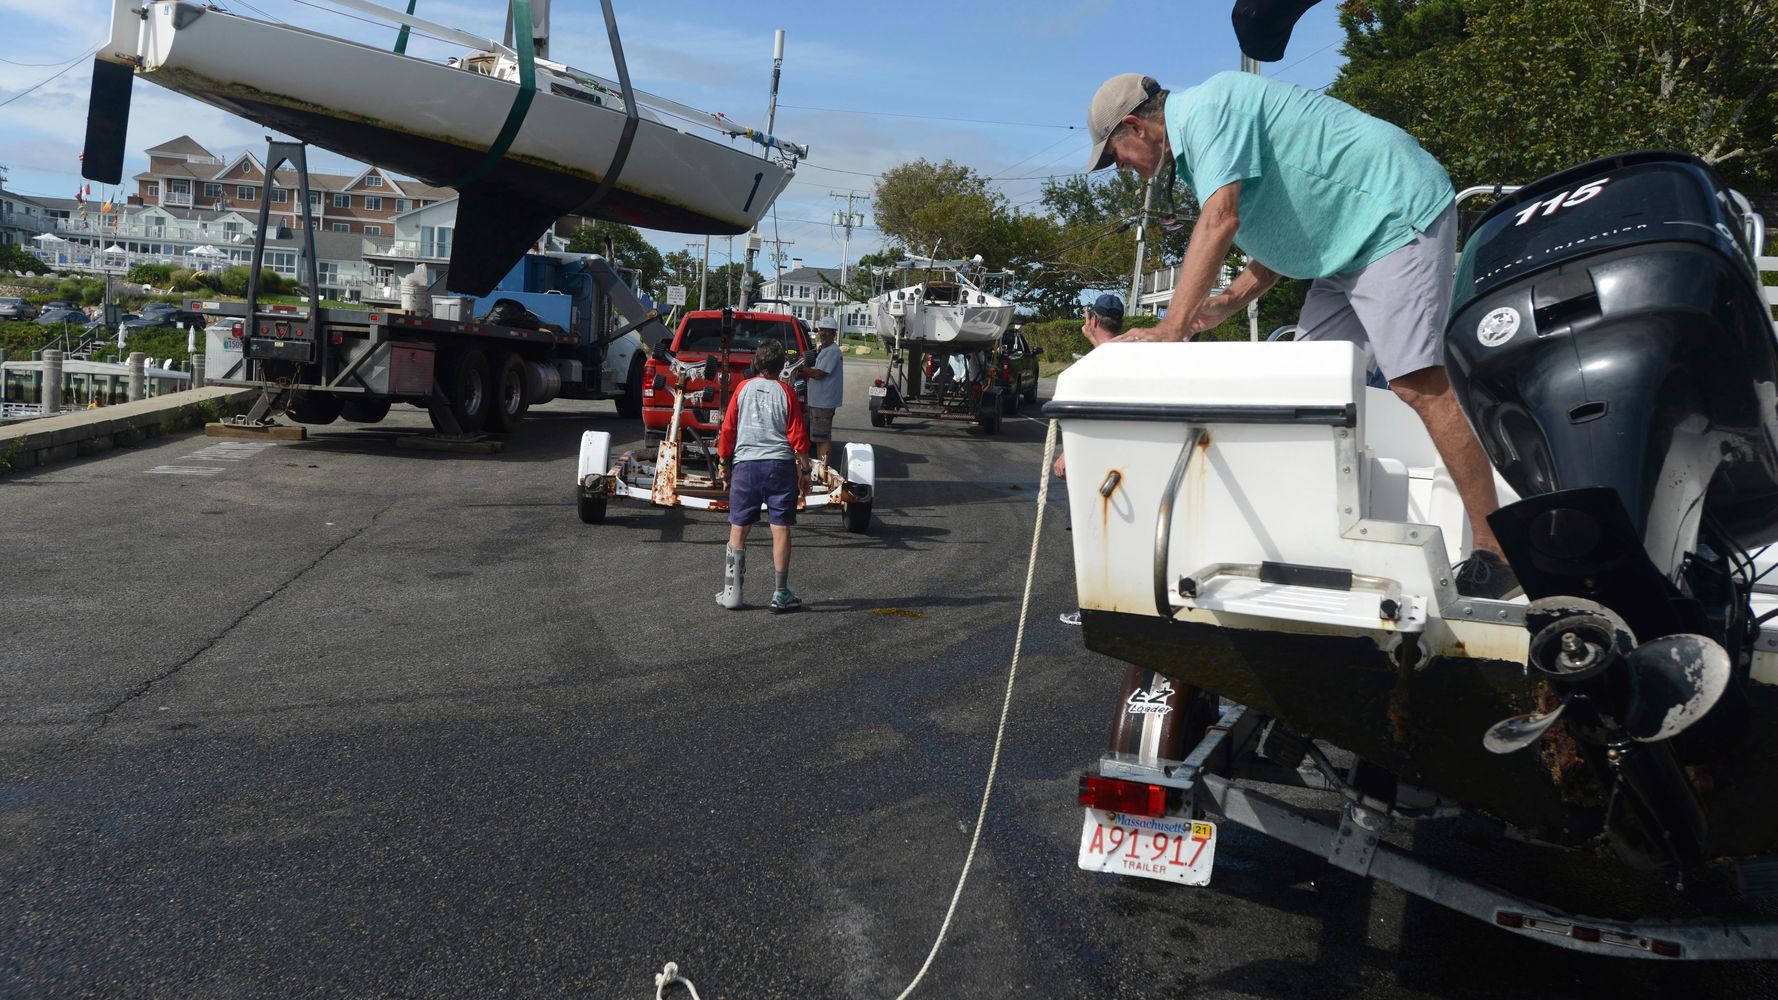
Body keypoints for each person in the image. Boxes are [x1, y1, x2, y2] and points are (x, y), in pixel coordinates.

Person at [1083, 71, 1517, 599]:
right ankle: (1320, 543)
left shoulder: (1210, 108)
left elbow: (1220, 220)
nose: (1120, 167)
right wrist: (1225, 304)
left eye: (1114, 155)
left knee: (1417, 385)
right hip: (1339, 247)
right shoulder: (1199, 151)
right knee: (1309, 392)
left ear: (1135, 126)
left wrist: (1172, 329)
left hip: (1390, 214)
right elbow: (1280, 230)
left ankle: (1498, 551)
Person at [715, 338, 811, 613]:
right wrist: (805, 472)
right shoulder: (787, 392)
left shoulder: (742, 389)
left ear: (756, 363)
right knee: (780, 527)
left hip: (746, 466)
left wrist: (724, 466)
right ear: (782, 366)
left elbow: (728, 430)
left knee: (739, 527)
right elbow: (798, 437)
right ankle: (780, 593)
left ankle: (732, 593)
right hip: (779, 467)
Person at [1057, 294, 1125, 626]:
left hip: (1097, 470)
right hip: (1124, 469)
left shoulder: (1095, 366)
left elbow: (1097, 418)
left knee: (1092, 539)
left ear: (1093, 321)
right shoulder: (1128, 359)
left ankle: (1095, 610)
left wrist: (1069, 453)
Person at [804, 315, 845, 467]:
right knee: (818, 438)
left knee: (822, 439)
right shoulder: (824, 350)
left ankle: (824, 470)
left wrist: (801, 370)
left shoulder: (833, 351)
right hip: (818, 401)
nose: (823, 333)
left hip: (823, 403)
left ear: (834, 333)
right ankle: (822, 469)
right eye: (822, 330)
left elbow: (819, 374)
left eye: (828, 331)